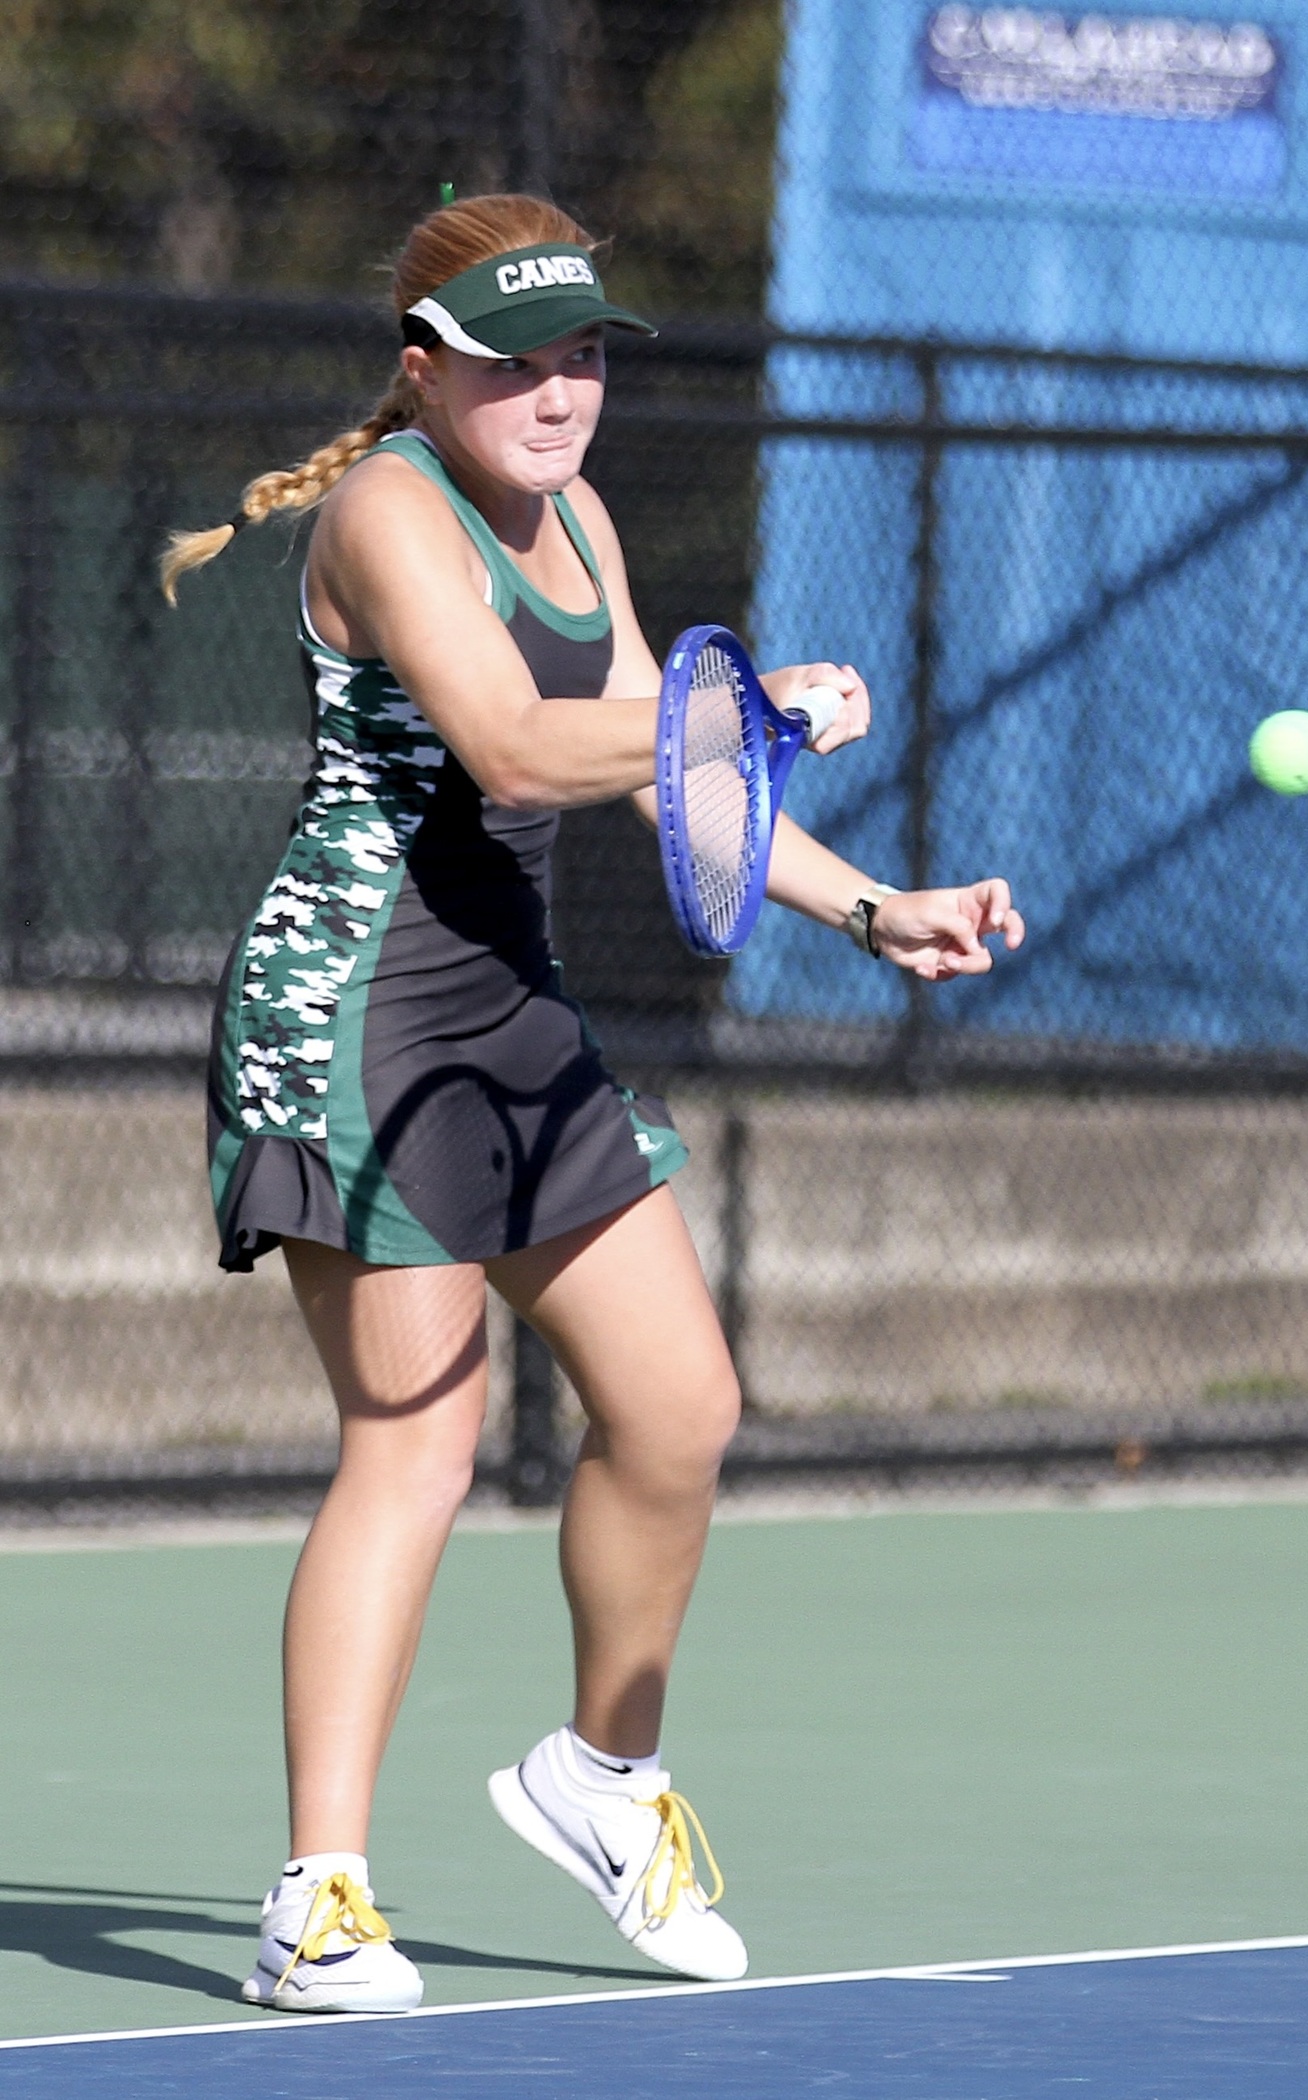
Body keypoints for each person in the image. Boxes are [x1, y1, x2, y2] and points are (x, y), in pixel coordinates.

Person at [162, 191, 1025, 2016]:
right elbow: (515, 744)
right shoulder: (389, 513)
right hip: (359, 1005)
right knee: (416, 1443)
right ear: (426, 370)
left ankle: (601, 1779)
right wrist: (737, 716)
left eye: (581, 359)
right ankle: (317, 1897)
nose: (558, 395)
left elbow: (666, 778)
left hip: (505, 1006)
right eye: (516, 362)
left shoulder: (582, 520)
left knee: (683, 1408)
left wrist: (877, 908)